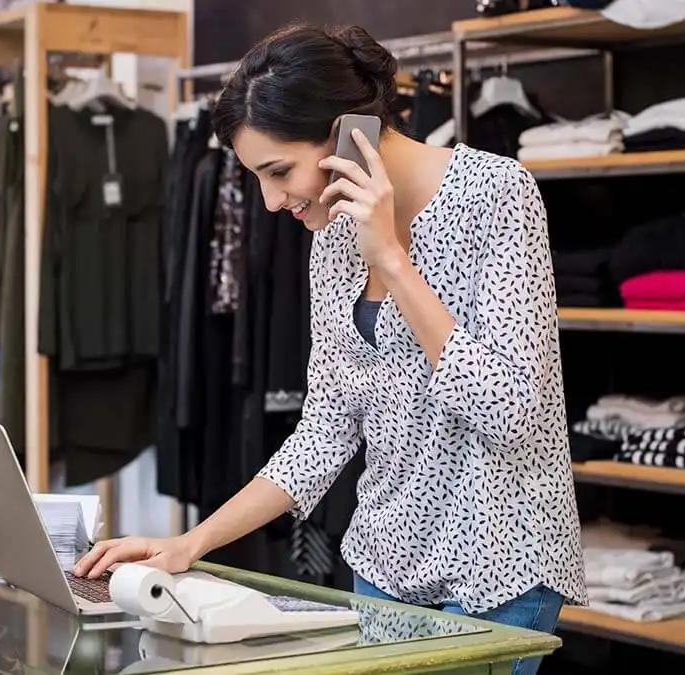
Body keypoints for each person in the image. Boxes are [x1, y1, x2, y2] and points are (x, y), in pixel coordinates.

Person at [74, 22, 586, 674]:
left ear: (349, 133)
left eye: (279, 171)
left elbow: (512, 409)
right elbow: (323, 434)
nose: (269, 199)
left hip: (496, 571)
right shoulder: (331, 242)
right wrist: (187, 544)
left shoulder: (497, 194)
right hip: (384, 564)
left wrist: (394, 263)